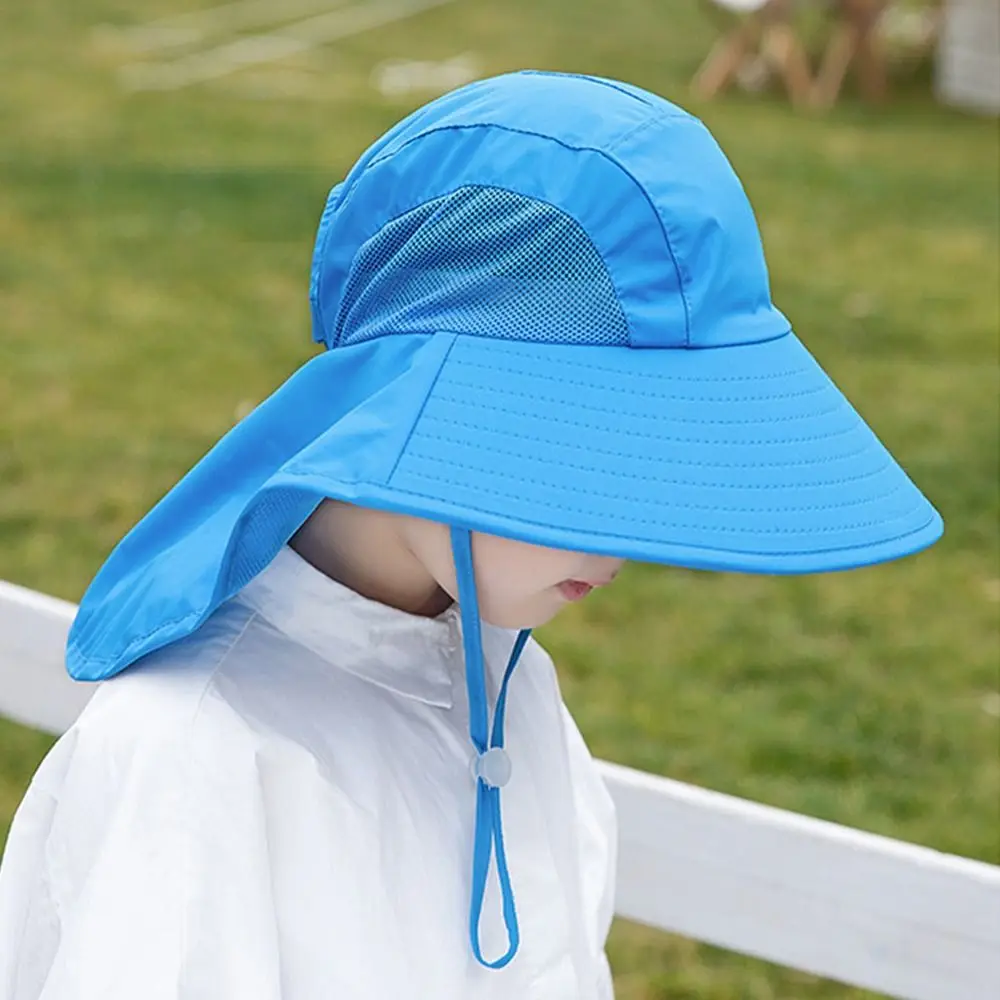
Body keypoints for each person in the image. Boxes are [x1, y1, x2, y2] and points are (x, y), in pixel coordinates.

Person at [0, 70, 942, 1000]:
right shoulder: (195, 759)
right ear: (426, 415)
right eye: (592, 465)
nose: (624, 547)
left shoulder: (504, 677)